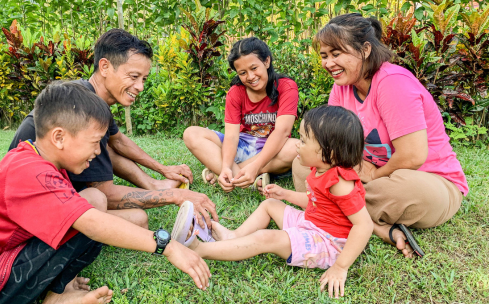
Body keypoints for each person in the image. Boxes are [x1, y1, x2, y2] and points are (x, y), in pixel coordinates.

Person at [0, 83, 211, 304]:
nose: (98, 152)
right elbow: (93, 224)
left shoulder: (35, 156)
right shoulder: (30, 172)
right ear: (59, 137)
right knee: (91, 219)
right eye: (95, 142)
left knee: (93, 202)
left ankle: (56, 293)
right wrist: (167, 246)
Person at [293, 13, 468, 258]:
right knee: (303, 164)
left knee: (408, 191)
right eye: (324, 56)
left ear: (365, 50)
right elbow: (331, 144)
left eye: (336, 54)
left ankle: (333, 209)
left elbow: (413, 156)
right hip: (364, 172)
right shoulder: (341, 86)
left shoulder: (392, 82)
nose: (329, 63)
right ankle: (373, 226)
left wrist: (373, 174)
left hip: (424, 180)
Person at [9, 29, 218, 229]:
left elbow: (117, 141)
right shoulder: (85, 111)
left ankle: (152, 184)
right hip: (30, 200)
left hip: (46, 184)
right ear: (105, 67)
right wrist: (175, 197)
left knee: (106, 147)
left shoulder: (89, 96)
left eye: (143, 79)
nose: (140, 87)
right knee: (136, 218)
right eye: (133, 77)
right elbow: (105, 193)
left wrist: (162, 170)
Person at [176, 106, 373, 298]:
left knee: (267, 238)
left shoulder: (341, 183)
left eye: (303, 141)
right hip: (312, 223)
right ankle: (233, 236)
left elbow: (363, 225)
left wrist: (340, 267)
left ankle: (200, 250)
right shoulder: (320, 169)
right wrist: (285, 194)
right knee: (270, 205)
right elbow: (317, 203)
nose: (297, 144)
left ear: (327, 153)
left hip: (329, 243)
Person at [183, 37, 299, 193]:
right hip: (242, 146)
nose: (250, 77)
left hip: (274, 149)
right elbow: (231, 137)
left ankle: (231, 174)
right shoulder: (236, 92)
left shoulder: (286, 87)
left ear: (266, 61)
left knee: (296, 147)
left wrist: (255, 166)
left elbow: (282, 132)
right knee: (191, 134)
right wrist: (225, 167)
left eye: (254, 68)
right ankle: (241, 176)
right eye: (243, 73)